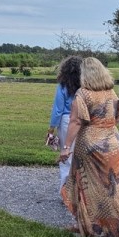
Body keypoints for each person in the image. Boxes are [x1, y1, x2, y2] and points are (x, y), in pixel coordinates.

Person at [59, 57, 119, 237]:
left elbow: (76, 121)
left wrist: (66, 147)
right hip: (112, 142)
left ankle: (90, 225)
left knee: (86, 185)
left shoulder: (83, 94)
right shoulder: (110, 92)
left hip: (89, 144)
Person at [47, 55, 82, 193]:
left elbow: (58, 110)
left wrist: (51, 128)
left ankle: (66, 191)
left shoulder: (62, 86)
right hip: (82, 120)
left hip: (67, 120)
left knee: (66, 156)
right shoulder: (84, 86)